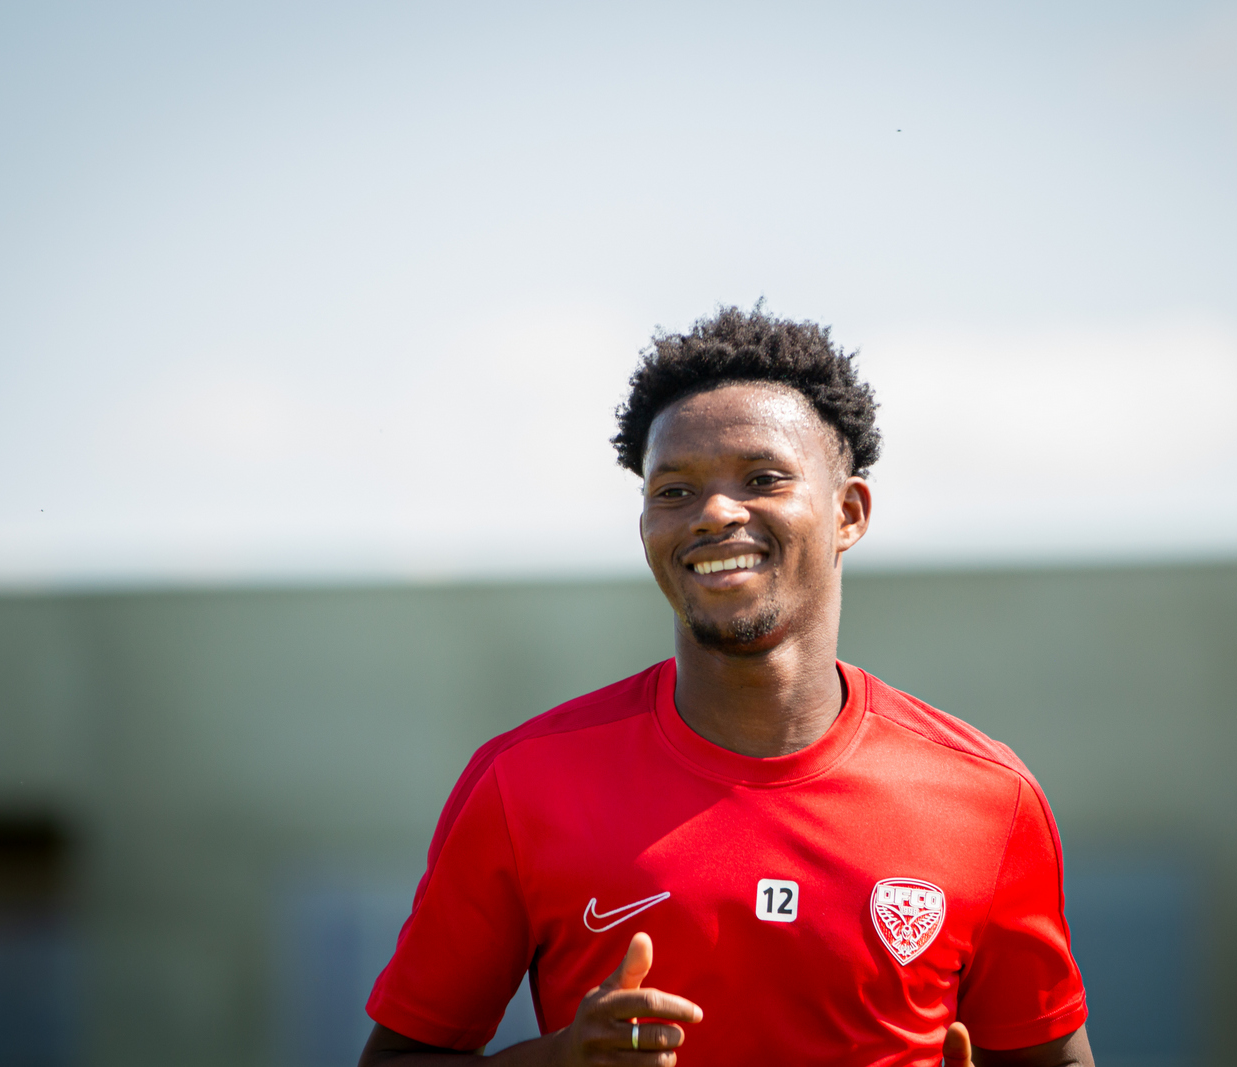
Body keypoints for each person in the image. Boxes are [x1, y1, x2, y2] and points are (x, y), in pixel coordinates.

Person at [359, 306, 1093, 1067]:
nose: (714, 513)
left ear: (848, 513)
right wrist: (558, 1061)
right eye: (674, 490)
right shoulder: (522, 785)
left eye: (762, 478)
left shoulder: (988, 799)